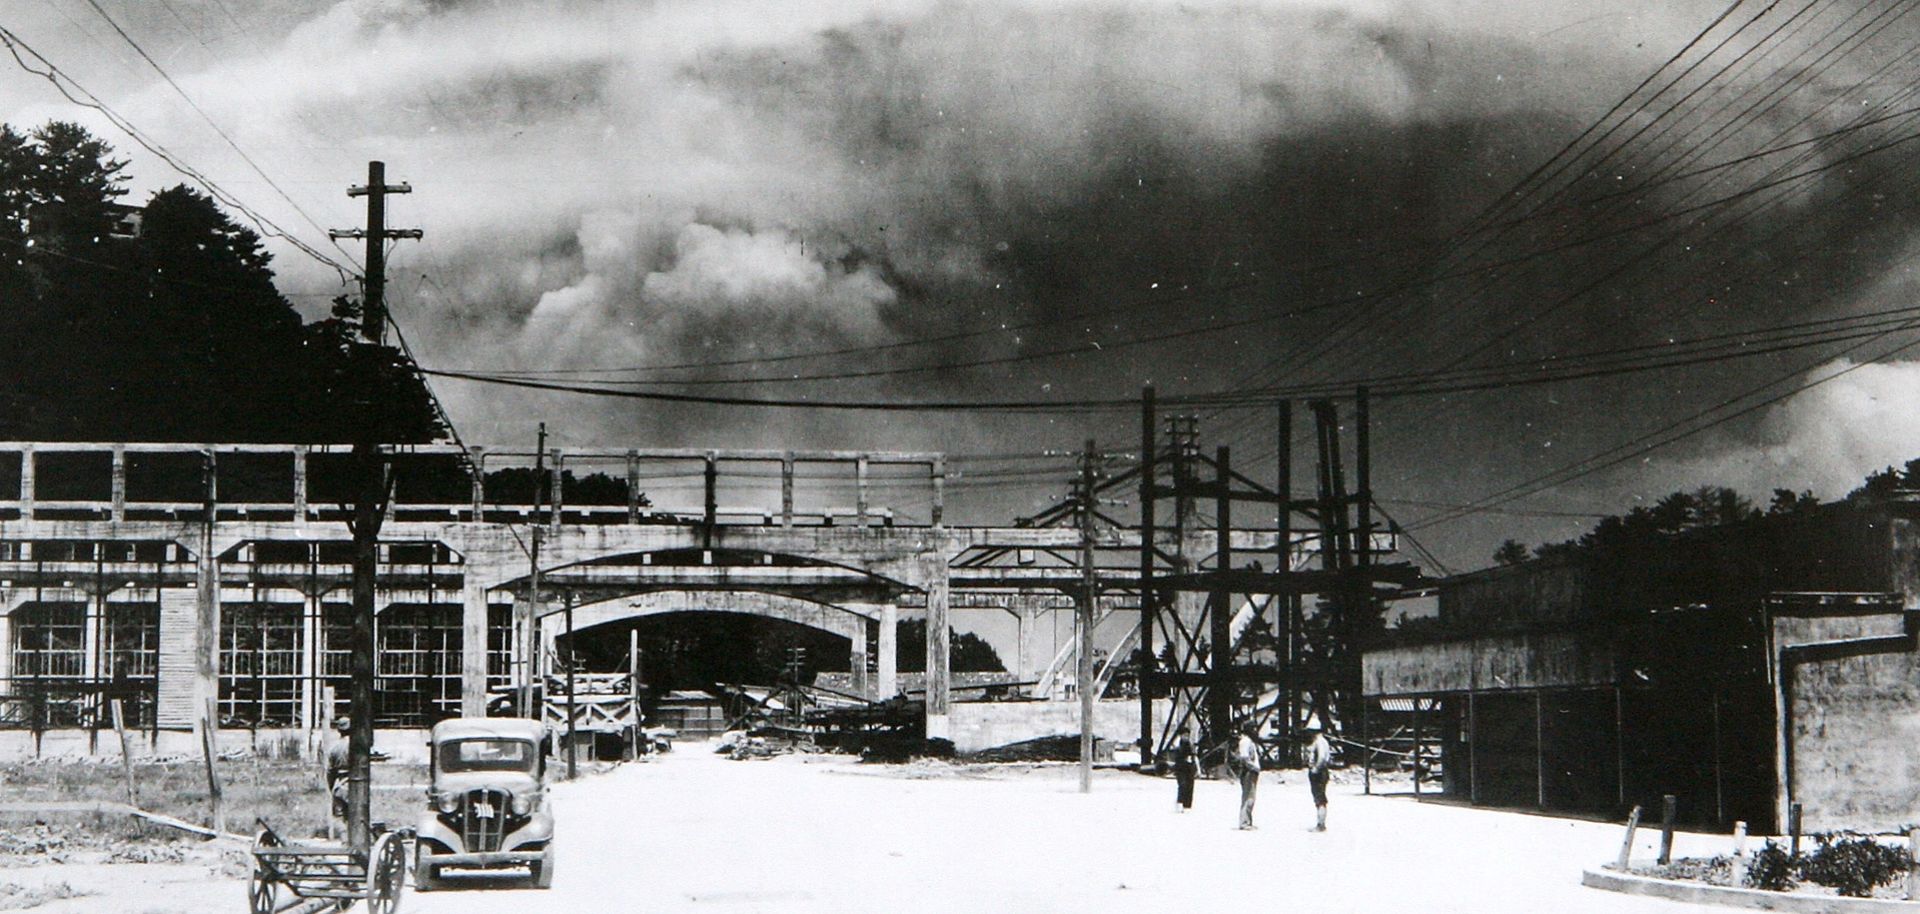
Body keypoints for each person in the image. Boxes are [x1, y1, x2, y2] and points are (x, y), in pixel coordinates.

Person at [1230, 725, 1262, 830]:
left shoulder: (1250, 741)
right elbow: (1244, 758)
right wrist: (1254, 768)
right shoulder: (1245, 742)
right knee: (1248, 797)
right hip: (1248, 772)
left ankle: (1248, 821)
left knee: (1251, 797)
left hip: (1252, 771)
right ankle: (1244, 823)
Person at [1303, 722, 1332, 832]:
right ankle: (1320, 823)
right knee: (1319, 799)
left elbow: (1322, 757)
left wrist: (1315, 768)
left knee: (1320, 799)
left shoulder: (1319, 742)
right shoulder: (1322, 741)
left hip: (1319, 772)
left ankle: (1321, 825)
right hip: (1321, 771)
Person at [324, 716, 351, 822]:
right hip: (353, 784)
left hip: (339, 785)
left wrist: (331, 787)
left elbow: (330, 771)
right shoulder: (356, 745)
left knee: (342, 819)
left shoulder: (334, 747)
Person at [1170, 734, 1197, 813]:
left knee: (1189, 786)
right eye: (1184, 735)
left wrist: (1196, 768)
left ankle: (1187, 805)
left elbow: (1194, 757)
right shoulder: (1178, 745)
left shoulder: (1190, 746)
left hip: (1189, 768)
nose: (1186, 737)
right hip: (1180, 768)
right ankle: (1179, 803)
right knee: (1182, 785)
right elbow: (1175, 756)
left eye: (1187, 736)